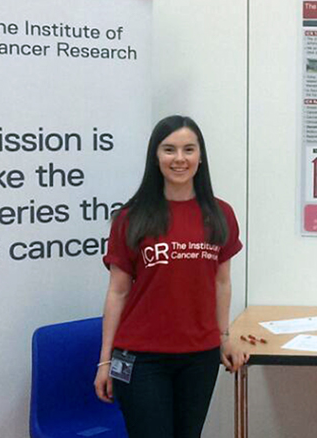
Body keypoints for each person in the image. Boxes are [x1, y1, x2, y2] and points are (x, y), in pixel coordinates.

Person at [95, 115, 248, 438]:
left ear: (200, 156)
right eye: (169, 150)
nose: (179, 159)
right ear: (156, 156)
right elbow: (118, 292)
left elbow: (221, 283)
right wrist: (104, 361)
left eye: (188, 149)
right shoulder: (131, 217)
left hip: (200, 357)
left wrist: (224, 337)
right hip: (141, 358)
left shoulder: (220, 214)